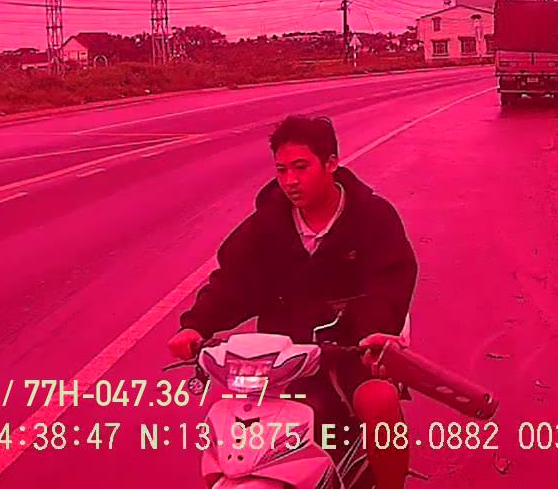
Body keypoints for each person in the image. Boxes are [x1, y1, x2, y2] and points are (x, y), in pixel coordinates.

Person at [168, 115, 417, 488]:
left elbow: (390, 284)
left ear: (331, 163)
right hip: (282, 361)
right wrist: (195, 325)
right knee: (234, 431)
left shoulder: (373, 217)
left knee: (379, 403)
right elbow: (233, 281)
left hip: (352, 352)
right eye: (282, 170)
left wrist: (374, 335)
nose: (290, 181)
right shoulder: (266, 225)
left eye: (301, 167)